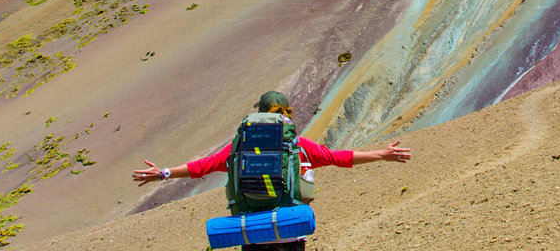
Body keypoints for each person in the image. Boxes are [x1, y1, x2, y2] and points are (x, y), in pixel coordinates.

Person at [131, 91, 412, 251]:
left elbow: (200, 168)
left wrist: (163, 173)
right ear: (285, 113)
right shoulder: (297, 145)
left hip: (252, 233)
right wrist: (381, 154)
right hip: (289, 230)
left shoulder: (239, 147)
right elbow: (338, 158)